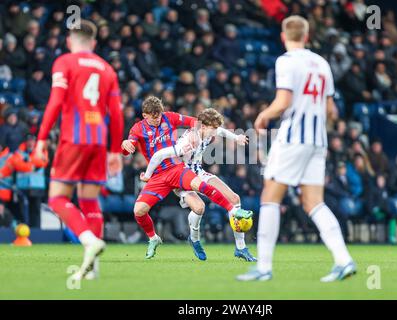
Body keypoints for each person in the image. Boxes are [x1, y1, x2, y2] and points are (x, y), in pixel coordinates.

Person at [237, 16, 355, 282]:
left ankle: (263, 268)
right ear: (307, 35)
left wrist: (263, 116)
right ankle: (343, 260)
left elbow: (283, 101)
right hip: (317, 140)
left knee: (270, 196)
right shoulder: (323, 64)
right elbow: (330, 110)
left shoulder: (286, 61)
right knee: (314, 202)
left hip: (293, 138)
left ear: (283, 36)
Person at [34, 20, 124, 281]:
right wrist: (115, 150)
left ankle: (88, 241)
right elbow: (116, 113)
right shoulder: (107, 69)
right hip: (98, 140)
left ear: (69, 41)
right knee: (89, 200)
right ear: (94, 43)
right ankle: (93, 268)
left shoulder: (65, 62)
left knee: (57, 199)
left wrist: (41, 139)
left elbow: (56, 101)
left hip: (73, 138)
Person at [121, 96, 253, 260]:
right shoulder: (187, 142)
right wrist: (143, 169)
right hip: (180, 173)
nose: (216, 132)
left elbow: (211, 127)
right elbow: (156, 153)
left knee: (234, 198)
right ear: (145, 115)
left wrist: (236, 137)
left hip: (196, 171)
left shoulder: (198, 128)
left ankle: (240, 247)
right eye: (212, 128)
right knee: (199, 208)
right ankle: (195, 239)